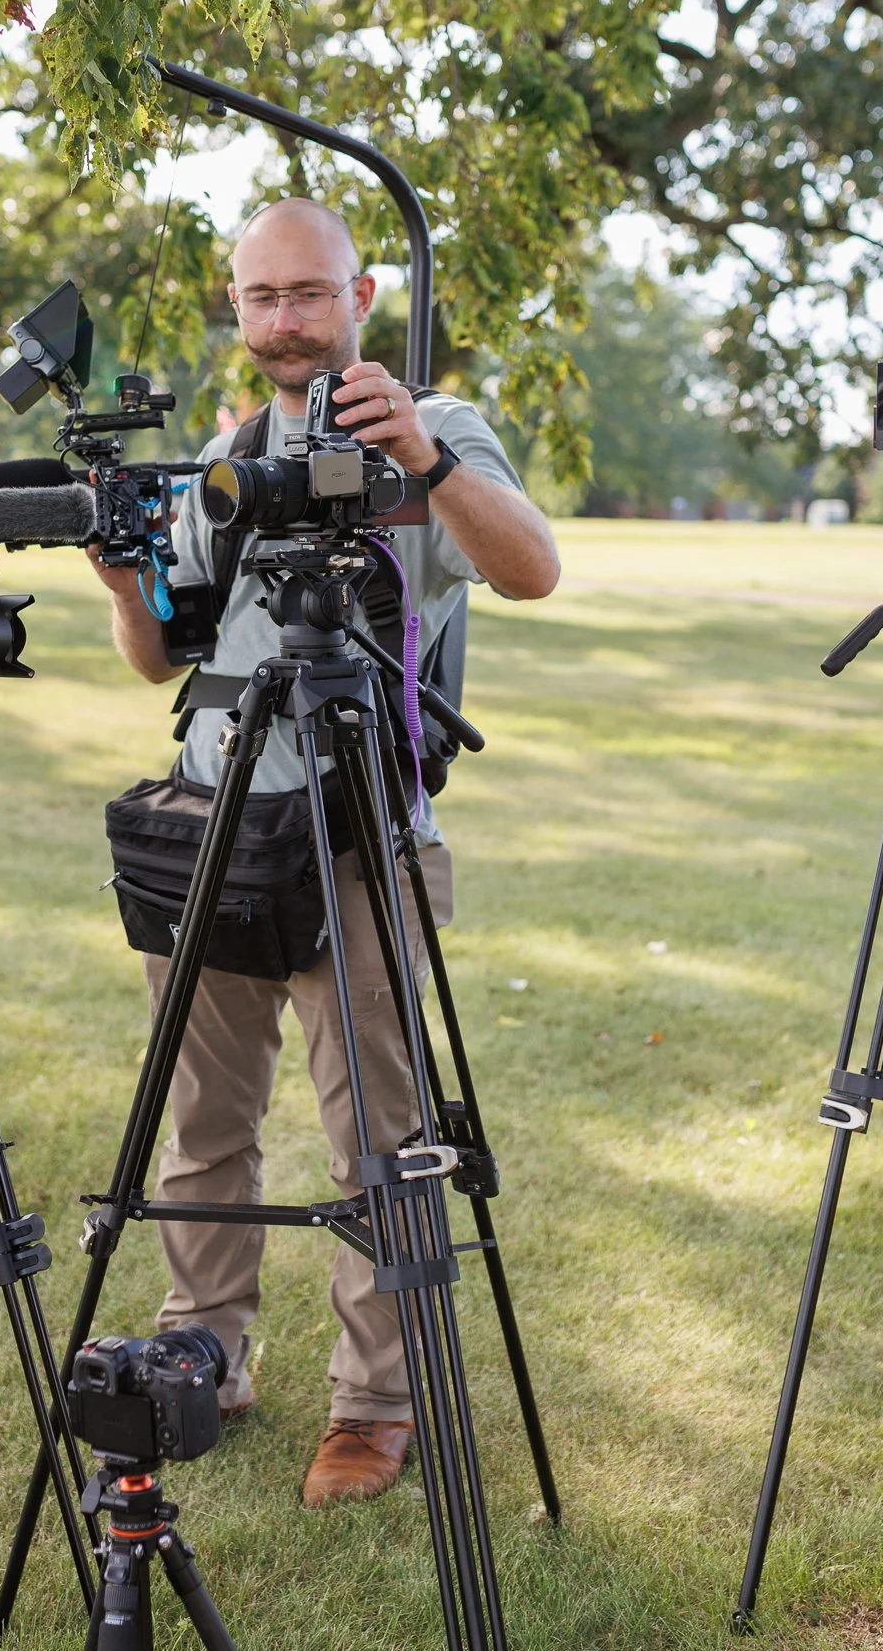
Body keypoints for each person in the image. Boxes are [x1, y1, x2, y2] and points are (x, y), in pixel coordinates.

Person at [90, 197, 559, 1507]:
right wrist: (124, 580)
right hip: (212, 832)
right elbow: (162, 658)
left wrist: (427, 462)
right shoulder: (227, 451)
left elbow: (533, 572)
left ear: (361, 296)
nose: (285, 318)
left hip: (356, 833)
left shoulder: (435, 427)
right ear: (237, 312)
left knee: (379, 1140)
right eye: (261, 298)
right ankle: (208, 1347)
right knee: (201, 1125)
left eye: (308, 293)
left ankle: (373, 1405)